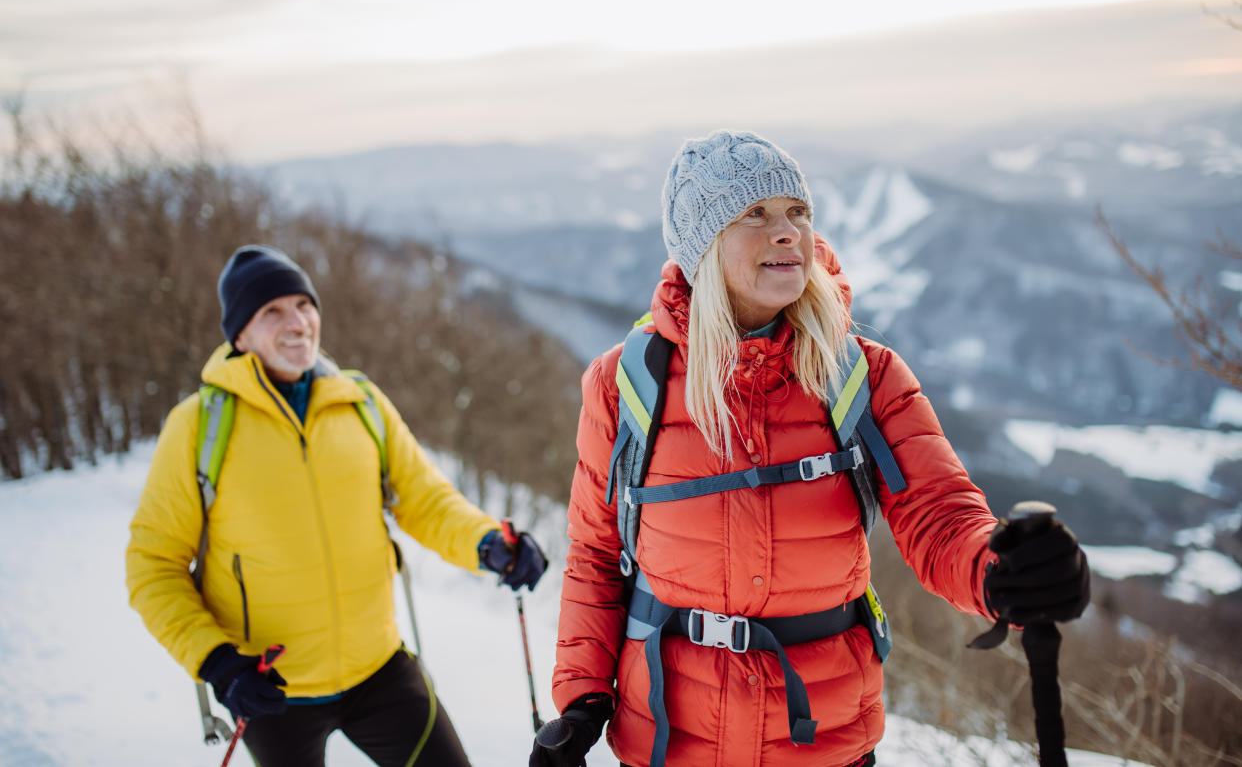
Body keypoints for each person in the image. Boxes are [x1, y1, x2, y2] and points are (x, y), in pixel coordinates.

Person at [530, 131, 1090, 767]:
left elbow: (938, 514)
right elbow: (598, 556)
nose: (787, 231)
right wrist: (581, 702)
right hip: (668, 743)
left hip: (821, 744)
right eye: (755, 214)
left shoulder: (863, 375)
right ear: (701, 247)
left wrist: (1001, 573)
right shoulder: (626, 384)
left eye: (797, 211)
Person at [126, 244, 547, 767]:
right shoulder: (199, 427)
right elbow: (153, 566)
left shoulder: (361, 404)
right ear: (240, 335)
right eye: (271, 311)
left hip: (380, 670)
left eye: (304, 305)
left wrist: (489, 544)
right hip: (271, 689)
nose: (296, 321)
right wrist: (218, 664)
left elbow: (426, 500)